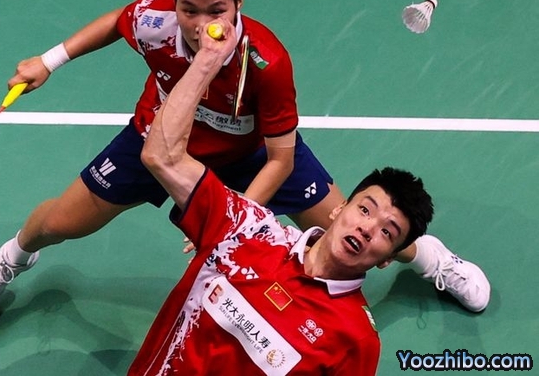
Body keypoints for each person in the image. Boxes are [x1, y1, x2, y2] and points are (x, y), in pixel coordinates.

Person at [0, 0, 489, 315]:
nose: (199, 25)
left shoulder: (267, 63)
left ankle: (431, 259)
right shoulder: (155, 22)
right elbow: (117, 20)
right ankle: (13, 258)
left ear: (239, 2)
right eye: (188, 9)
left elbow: (281, 158)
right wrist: (49, 61)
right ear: (175, 2)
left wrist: (233, 219)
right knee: (58, 222)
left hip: (253, 156)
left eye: (215, 10)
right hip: (156, 138)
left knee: (353, 225)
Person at [132, 18, 433, 375]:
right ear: (337, 209)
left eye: (387, 232)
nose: (368, 229)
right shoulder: (246, 229)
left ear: (388, 260)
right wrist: (206, 61)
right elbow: (161, 155)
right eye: (366, 210)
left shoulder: (355, 341)